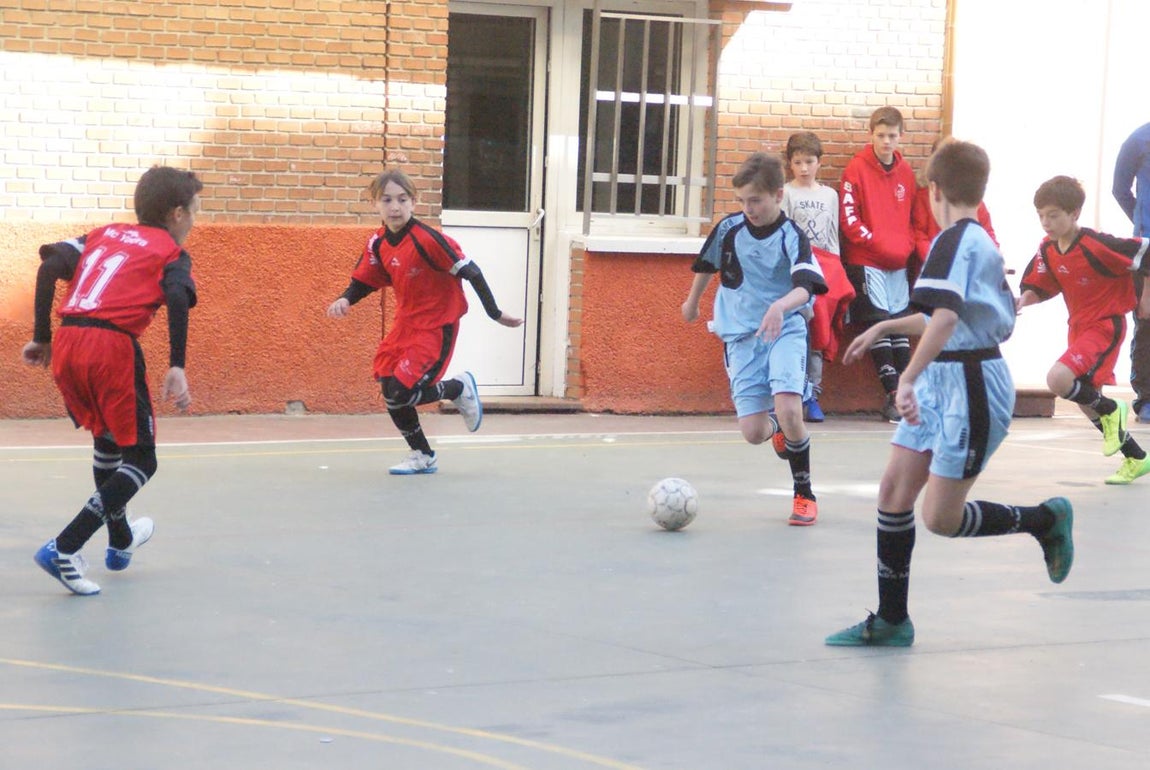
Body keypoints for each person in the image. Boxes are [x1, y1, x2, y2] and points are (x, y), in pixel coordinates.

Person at [825, 140, 1074, 647]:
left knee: (940, 517)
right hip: (946, 374)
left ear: (933, 191)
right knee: (894, 491)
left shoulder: (957, 241)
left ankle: (1045, 519)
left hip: (974, 385)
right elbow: (941, 315)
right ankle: (892, 620)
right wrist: (885, 326)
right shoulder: (968, 239)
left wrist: (908, 377)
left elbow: (946, 319)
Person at [22, 165, 201, 596]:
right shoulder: (170, 252)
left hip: (68, 342)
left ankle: (120, 539)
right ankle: (64, 547)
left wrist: (41, 337)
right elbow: (177, 295)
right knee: (142, 459)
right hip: (111, 347)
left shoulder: (101, 234)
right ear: (177, 213)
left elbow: (49, 268)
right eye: (196, 210)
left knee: (107, 441)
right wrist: (177, 363)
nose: (196, 219)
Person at [327, 169, 523, 475]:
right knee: (389, 388)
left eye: (402, 199)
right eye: (387, 200)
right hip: (406, 323)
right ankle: (422, 454)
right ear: (375, 204)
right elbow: (366, 280)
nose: (395, 207)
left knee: (403, 391)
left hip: (437, 324)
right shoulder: (377, 243)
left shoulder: (429, 240)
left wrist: (494, 313)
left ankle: (457, 388)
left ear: (414, 203)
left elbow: (471, 272)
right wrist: (345, 299)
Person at [682, 152, 828, 526]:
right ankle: (777, 430)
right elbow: (707, 265)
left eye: (756, 201)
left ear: (778, 196)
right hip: (742, 337)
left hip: (785, 329)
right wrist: (693, 301)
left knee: (790, 408)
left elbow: (808, 286)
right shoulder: (730, 228)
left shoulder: (791, 236)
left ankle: (803, 494)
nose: (749, 208)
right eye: (743, 201)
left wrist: (781, 306)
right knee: (752, 433)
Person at [1017, 175, 1150, 485]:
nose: (1045, 222)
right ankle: (1136, 457)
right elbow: (1040, 285)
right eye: (1041, 215)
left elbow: (1145, 252)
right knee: (1084, 401)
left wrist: (1145, 296)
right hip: (1078, 328)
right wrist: (1021, 300)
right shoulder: (1048, 249)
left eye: (1053, 215)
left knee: (1058, 379)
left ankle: (1112, 408)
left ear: (1074, 213)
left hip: (1104, 325)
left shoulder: (1096, 244)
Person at [839, 106, 918, 423]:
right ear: (871, 134)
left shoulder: (907, 173)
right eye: (881, 135)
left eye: (892, 136)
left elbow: (913, 217)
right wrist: (875, 241)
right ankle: (891, 395)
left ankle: (907, 395)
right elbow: (848, 218)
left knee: (899, 324)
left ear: (901, 137)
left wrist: (906, 245)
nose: (887, 141)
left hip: (899, 263)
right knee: (879, 324)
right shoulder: (855, 169)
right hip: (867, 260)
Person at [781, 131, 855, 423]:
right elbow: (785, 235)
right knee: (798, 330)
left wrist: (837, 271)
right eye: (797, 162)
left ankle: (813, 394)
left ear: (818, 163)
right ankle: (790, 393)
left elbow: (833, 236)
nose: (803, 168)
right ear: (789, 164)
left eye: (809, 161)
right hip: (799, 268)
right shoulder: (786, 193)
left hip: (825, 269)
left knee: (820, 332)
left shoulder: (829, 195)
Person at [911, 135, 998, 281]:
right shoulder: (923, 197)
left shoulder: (972, 199)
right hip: (931, 272)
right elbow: (919, 235)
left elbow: (987, 232)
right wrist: (939, 261)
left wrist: (992, 259)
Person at [1112, 122, 1150, 424]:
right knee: (1147, 320)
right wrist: (1141, 221)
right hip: (1148, 245)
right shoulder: (1139, 139)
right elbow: (1120, 190)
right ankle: (1147, 399)